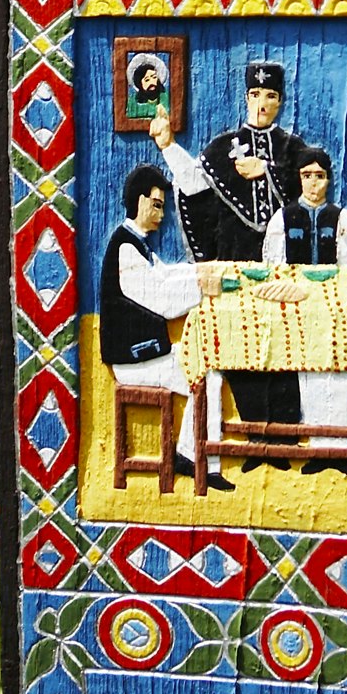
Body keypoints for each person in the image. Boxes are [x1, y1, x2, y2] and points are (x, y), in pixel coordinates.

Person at [149, 60, 325, 464]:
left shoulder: (294, 151)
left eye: (271, 96)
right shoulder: (222, 148)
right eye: (255, 95)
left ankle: (282, 440)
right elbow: (194, 188)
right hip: (235, 262)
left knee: (283, 349)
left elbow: (313, 188)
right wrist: (168, 146)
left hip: (282, 266)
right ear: (246, 98)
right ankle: (255, 441)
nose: (262, 103)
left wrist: (268, 171)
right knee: (240, 350)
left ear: (280, 102)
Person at [98, 165, 227, 489]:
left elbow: (166, 275)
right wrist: (202, 288)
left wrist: (200, 272)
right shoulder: (125, 247)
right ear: (139, 202)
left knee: (206, 363)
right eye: (156, 205)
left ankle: (190, 452)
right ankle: (202, 462)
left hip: (146, 353)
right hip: (134, 359)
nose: (161, 214)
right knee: (206, 373)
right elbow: (162, 300)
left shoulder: (137, 244)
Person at [262, 153, 347, 475]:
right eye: (307, 175)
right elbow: (273, 265)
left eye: (319, 175)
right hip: (299, 310)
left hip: (337, 308)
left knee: (343, 374)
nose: (313, 182)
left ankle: (343, 450)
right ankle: (320, 449)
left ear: (328, 179)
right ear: (299, 178)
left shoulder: (342, 218)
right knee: (311, 376)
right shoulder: (283, 218)